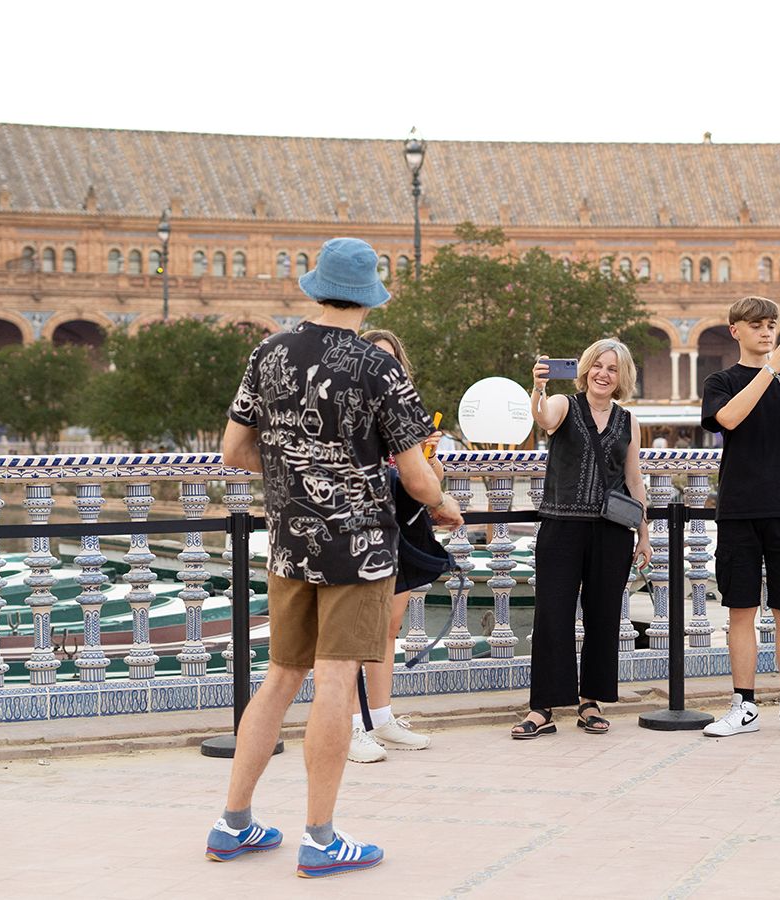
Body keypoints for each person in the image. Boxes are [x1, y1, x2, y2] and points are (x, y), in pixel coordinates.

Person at [205, 237, 463, 878]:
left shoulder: (268, 352)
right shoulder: (380, 368)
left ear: (317, 287)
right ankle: (320, 838)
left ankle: (232, 824)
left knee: (279, 678)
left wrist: (295, 472)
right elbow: (416, 475)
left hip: (289, 544)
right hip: (359, 550)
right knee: (335, 681)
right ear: (370, 296)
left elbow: (233, 450)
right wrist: (444, 504)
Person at [700, 296, 780, 740]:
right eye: (756, 324)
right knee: (741, 609)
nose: (765, 331)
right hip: (739, 509)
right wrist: (771, 369)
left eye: (771, 324)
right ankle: (744, 705)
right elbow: (727, 419)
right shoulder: (721, 380)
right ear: (735, 330)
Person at [511, 339, 651, 739]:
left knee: (603, 618)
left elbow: (634, 479)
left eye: (612, 369)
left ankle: (590, 701)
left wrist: (644, 534)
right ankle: (542, 708)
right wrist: (538, 388)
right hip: (561, 527)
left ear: (622, 377)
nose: (603, 374)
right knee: (552, 616)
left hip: (612, 531)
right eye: (598, 366)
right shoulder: (563, 405)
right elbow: (543, 418)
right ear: (586, 369)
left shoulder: (628, 421)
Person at [347, 328, 443, 764]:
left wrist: (429, 457)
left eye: (389, 358)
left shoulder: (407, 411)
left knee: (389, 626)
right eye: (373, 355)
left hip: (400, 525)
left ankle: (381, 718)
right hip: (360, 527)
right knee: (354, 631)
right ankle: (349, 725)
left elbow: (429, 480)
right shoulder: (345, 407)